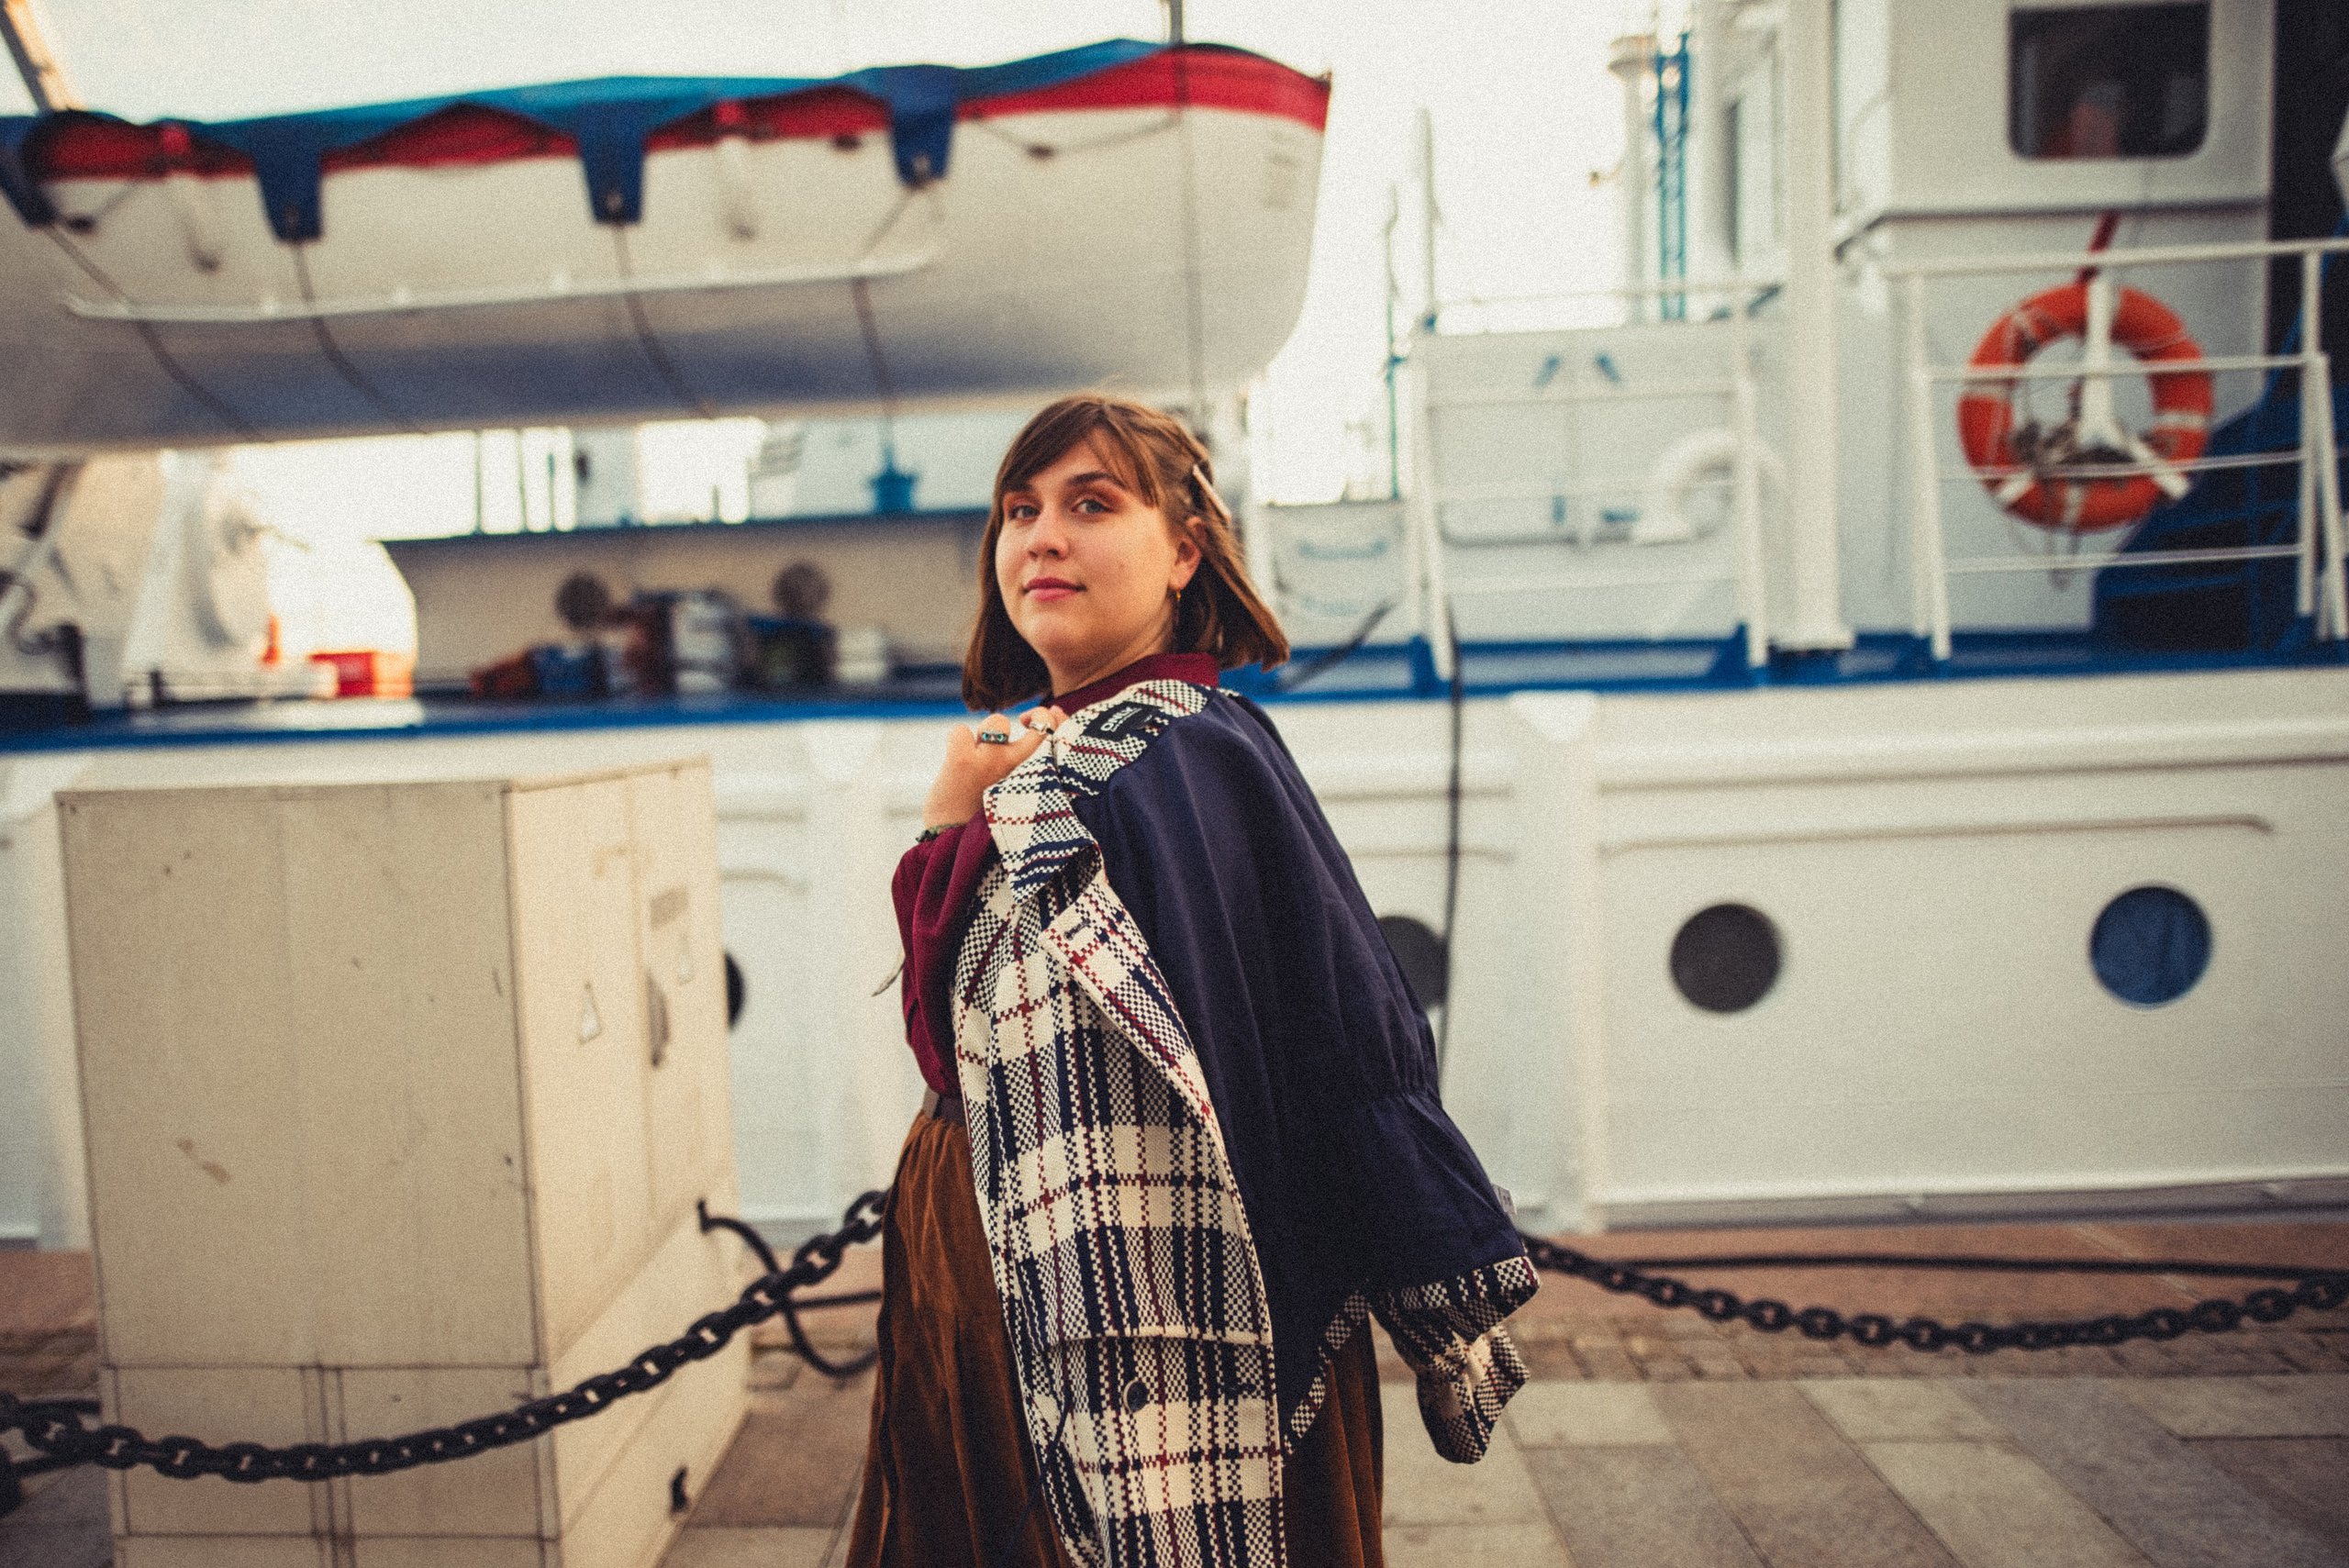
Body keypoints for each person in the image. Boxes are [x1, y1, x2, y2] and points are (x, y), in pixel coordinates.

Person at [848, 395, 1535, 1568]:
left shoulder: (1178, 750)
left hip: (1146, 1298)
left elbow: (1342, 1020)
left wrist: (1436, 1283)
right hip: (1002, 1264)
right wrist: (948, 818)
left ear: (1183, 551)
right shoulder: (1056, 751)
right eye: (1019, 510)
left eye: (1091, 503)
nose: (1040, 537)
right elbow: (950, 1029)